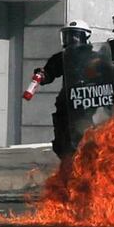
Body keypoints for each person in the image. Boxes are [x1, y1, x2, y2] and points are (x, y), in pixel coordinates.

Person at [32, 20, 94, 159]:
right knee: (63, 141)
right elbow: (50, 72)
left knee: (83, 138)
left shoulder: (94, 57)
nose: (72, 39)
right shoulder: (62, 57)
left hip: (87, 104)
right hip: (66, 103)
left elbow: (105, 77)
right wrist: (42, 75)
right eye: (68, 35)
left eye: (76, 36)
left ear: (86, 37)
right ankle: (67, 168)